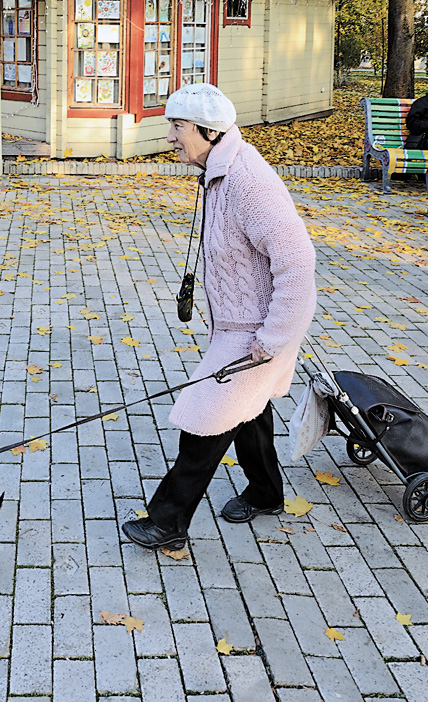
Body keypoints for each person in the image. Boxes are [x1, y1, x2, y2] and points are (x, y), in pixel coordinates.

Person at [122, 84, 317, 551]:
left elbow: (298, 263)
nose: (171, 136)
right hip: (238, 325)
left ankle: (167, 521)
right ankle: (268, 494)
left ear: (208, 131)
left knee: (205, 417)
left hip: (258, 330)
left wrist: (272, 338)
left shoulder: (249, 181)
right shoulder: (217, 169)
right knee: (248, 415)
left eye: (177, 126)